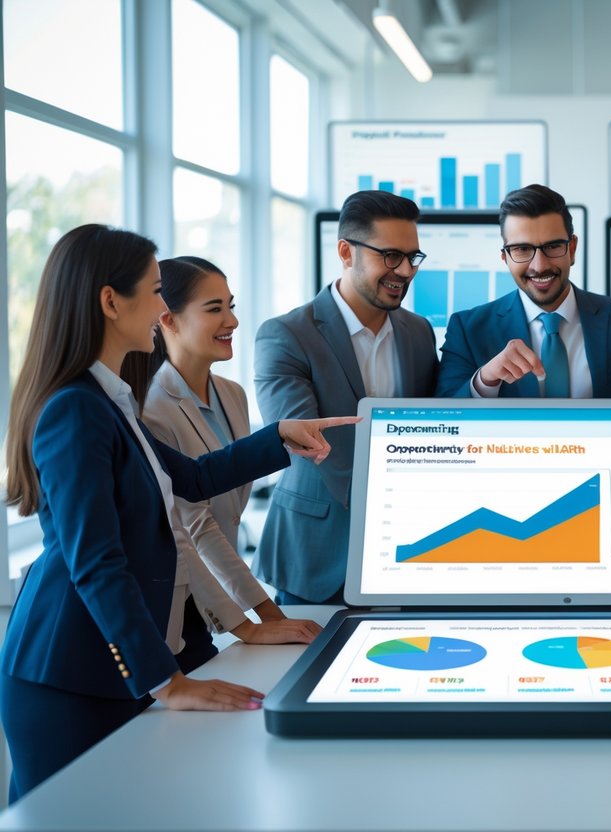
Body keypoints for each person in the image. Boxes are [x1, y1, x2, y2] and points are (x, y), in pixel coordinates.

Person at [0, 225, 353, 800]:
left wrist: (279, 436)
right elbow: (95, 561)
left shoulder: (110, 402)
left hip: (110, 663)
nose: (163, 307)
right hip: (68, 672)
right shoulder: (76, 410)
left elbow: (191, 478)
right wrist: (167, 680)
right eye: (155, 290)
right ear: (111, 302)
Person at [121, 255, 322, 643]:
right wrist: (258, 620)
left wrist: (268, 618)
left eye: (230, 306)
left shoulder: (233, 395)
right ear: (167, 319)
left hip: (219, 599)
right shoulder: (149, 408)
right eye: (214, 309)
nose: (231, 321)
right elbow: (196, 524)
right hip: (178, 605)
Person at [255, 191, 439, 605]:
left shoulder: (418, 332)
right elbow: (307, 441)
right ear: (345, 251)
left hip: (407, 552)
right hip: (318, 555)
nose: (405, 270)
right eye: (391, 256)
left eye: (413, 257)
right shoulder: (285, 334)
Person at [436, 184, 611, 398]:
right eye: (522, 249)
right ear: (505, 258)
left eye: (553, 246)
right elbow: (441, 417)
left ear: (572, 249)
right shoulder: (467, 329)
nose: (540, 265)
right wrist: (485, 380)